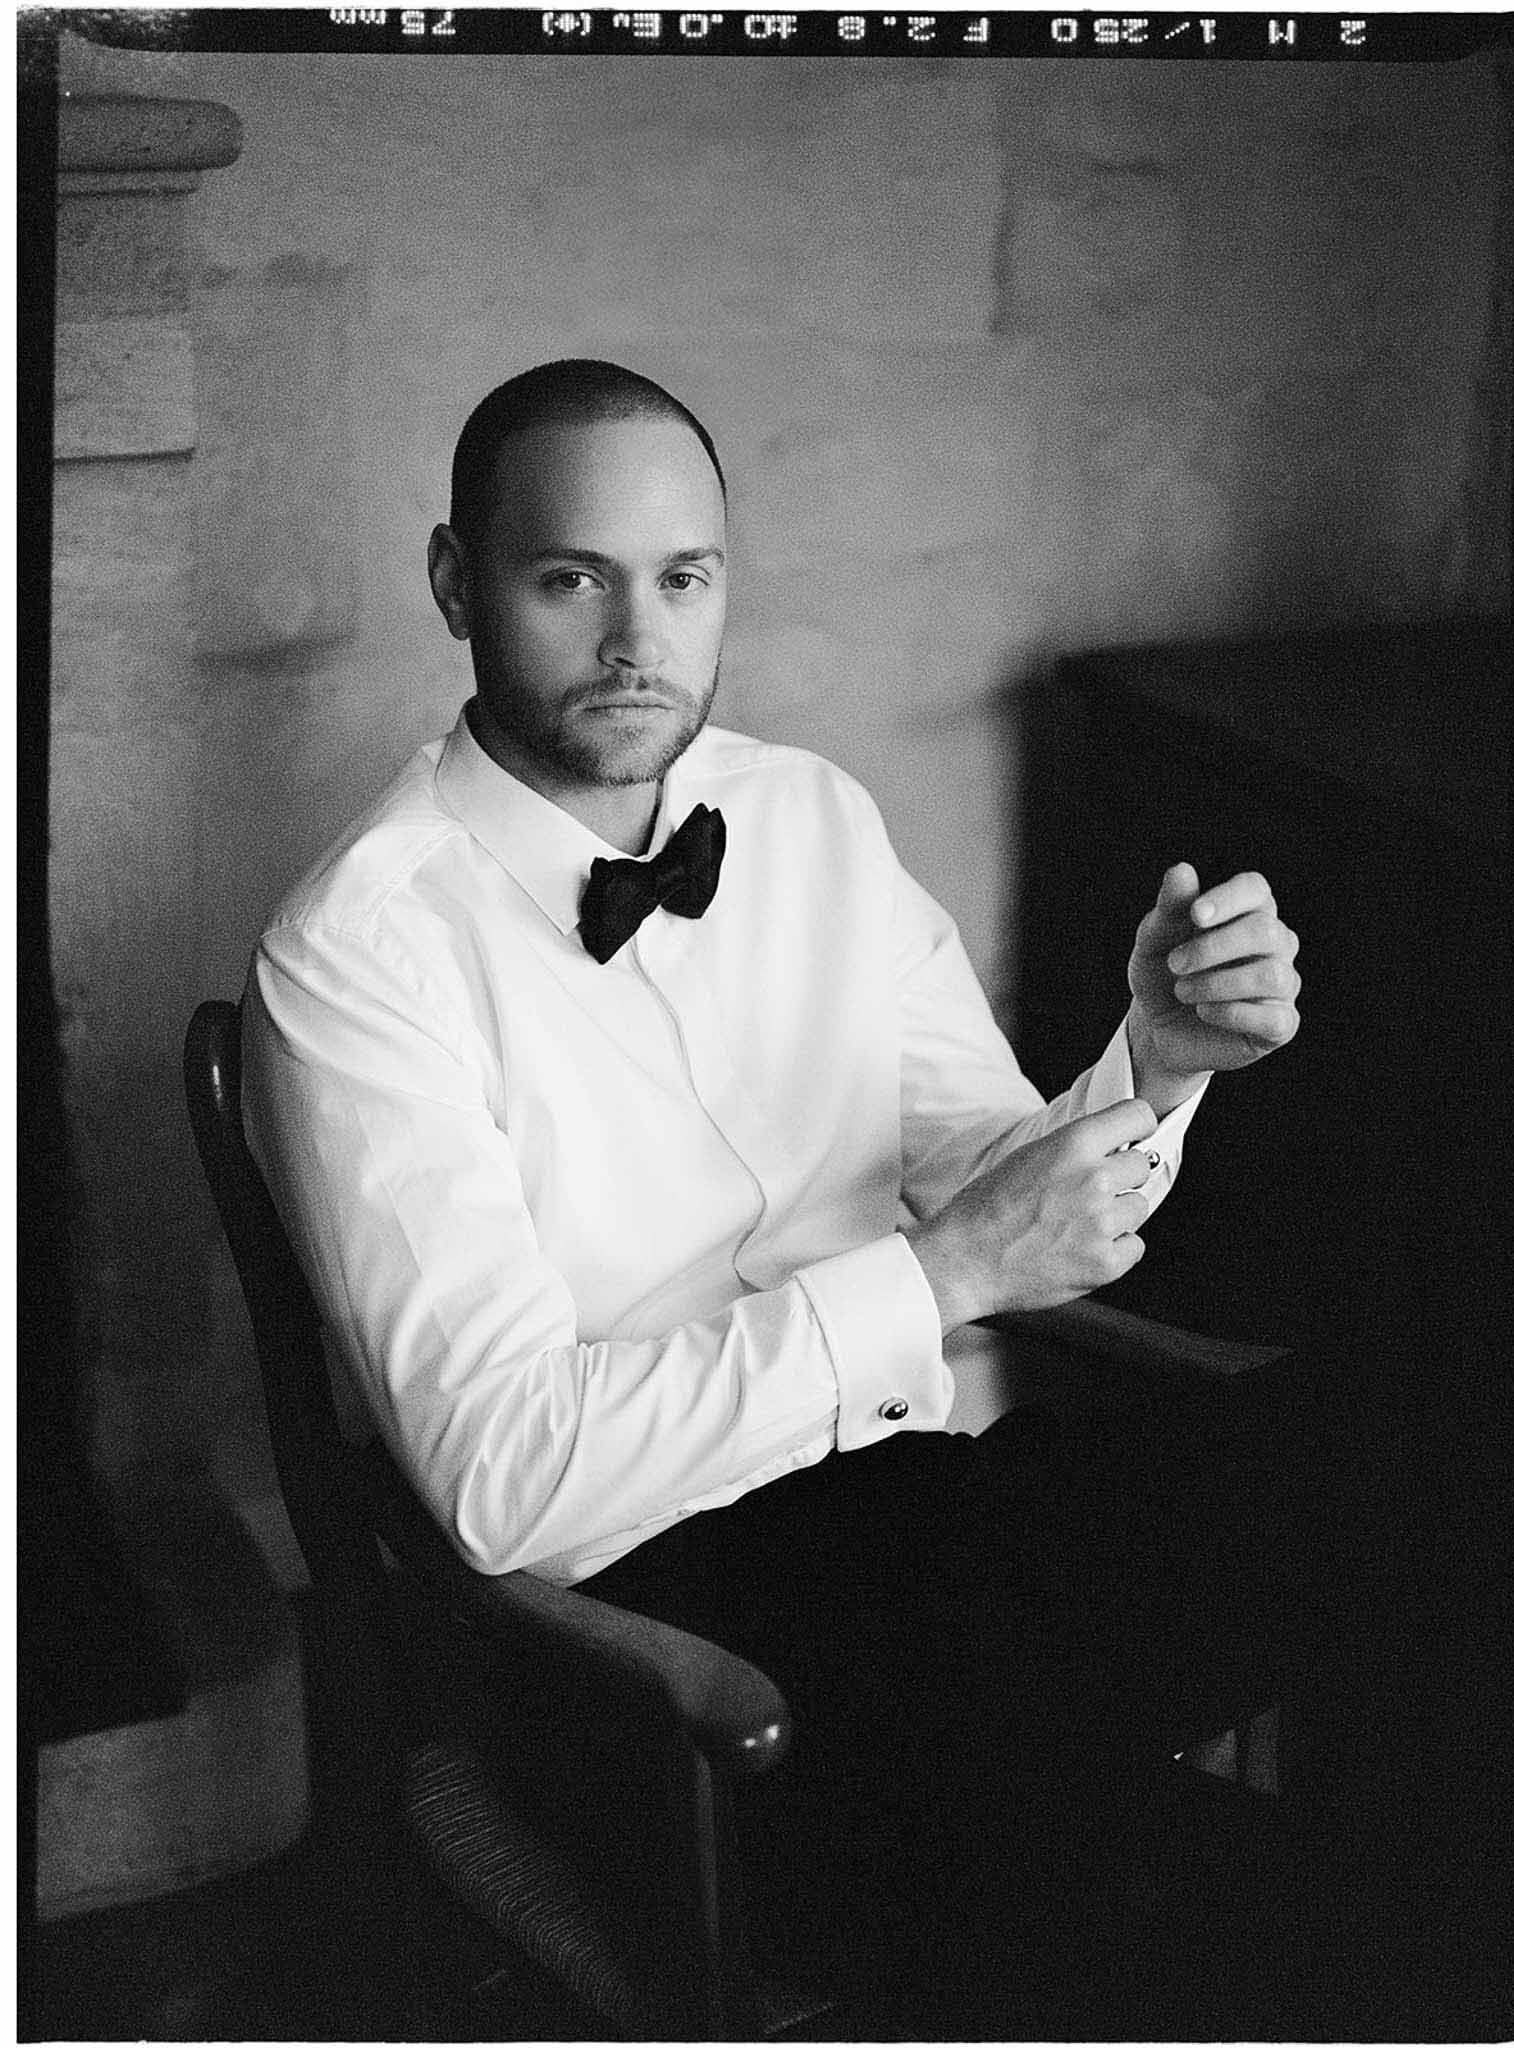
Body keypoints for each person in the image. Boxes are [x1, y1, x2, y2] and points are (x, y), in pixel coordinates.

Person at [245, 359, 1324, 2024]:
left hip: (924, 1505)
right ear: (457, 583)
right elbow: (506, 1481)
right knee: (1123, 1896)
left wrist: (1155, 1062)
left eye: (682, 578)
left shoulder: (809, 817)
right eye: (568, 579)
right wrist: (941, 1279)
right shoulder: (358, 956)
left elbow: (1009, 1206)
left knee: (1410, 1501)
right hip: (643, 1633)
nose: (635, 642)